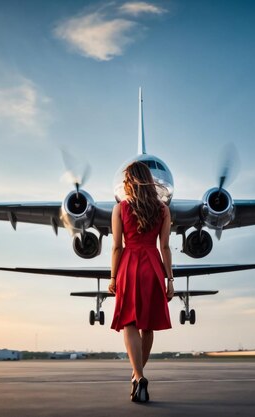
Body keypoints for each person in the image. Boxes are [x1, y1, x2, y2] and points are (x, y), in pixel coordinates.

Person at [108, 161, 175, 403]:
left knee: (129, 323)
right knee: (148, 327)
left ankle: (138, 375)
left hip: (128, 265)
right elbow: (165, 246)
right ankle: (138, 375)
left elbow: (117, 246)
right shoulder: (163, 210)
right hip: (153, 266)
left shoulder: (121, 208)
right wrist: (170, 280)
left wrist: (113, 276)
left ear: (129, 181)